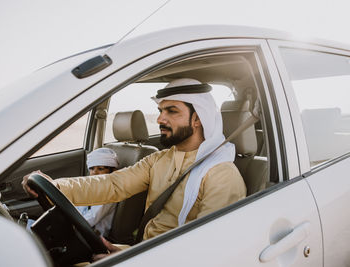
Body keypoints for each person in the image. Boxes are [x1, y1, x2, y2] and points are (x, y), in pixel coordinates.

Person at [22, 78, 246, 258]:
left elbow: (207, 253)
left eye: (172, 111)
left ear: (197, 118)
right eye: (160, 110)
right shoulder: (159, 160)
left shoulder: (222, 175)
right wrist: (56, 187)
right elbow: (113, 184)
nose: (160, 118)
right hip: (146, 253)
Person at [26, 147, 119, 237]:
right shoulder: (92, 185)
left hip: (92, 235)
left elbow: (90, 219)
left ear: (113, 171)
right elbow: (80, 207)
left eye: (101, 169)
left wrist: (67, 223)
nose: (94, 173)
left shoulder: (110, 191)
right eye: (92, 169)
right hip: (80, 226)